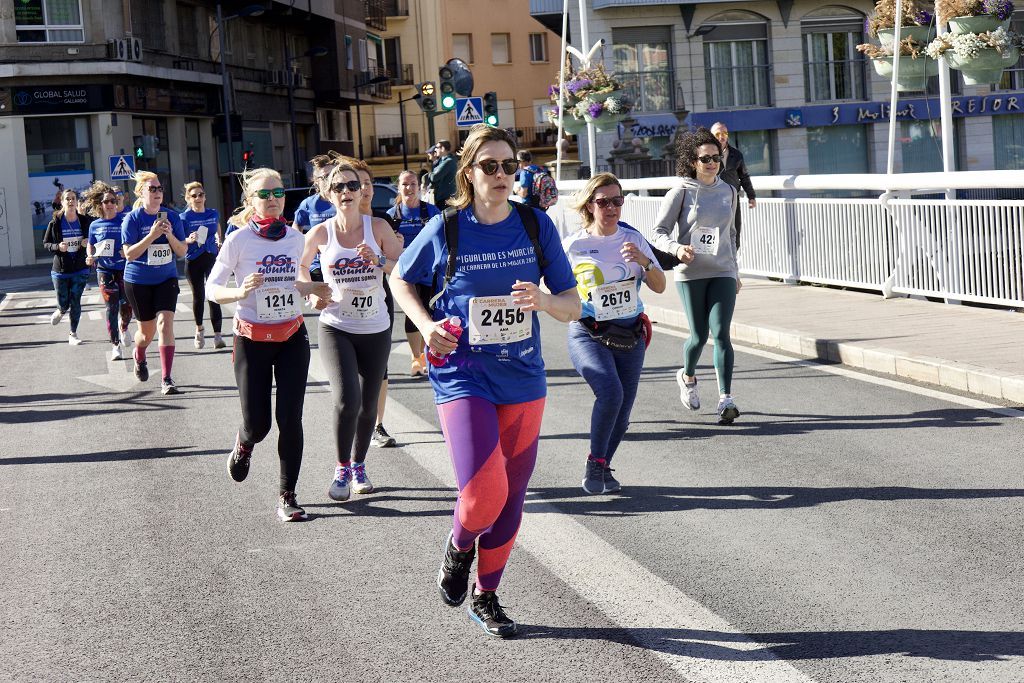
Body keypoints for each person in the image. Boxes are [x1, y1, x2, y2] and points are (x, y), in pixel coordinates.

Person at [390, 124, 580, 638]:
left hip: (522, 377)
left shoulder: (536, 226)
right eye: (490, 167)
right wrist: (427, 327)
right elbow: (401, 279)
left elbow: (572, 303)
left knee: (511, 499)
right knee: (482, 494)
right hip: (462, 375)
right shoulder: (447, 228)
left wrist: (542, 301)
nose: (501, 175)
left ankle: (487, 595)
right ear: (469, 174)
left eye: (509, 166)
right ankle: (458, 547)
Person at [207, 168, 331, 522]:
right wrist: (240, 292)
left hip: (292, 336)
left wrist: (313, 294)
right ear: (250, 201)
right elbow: (212, 289)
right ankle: (244, 442)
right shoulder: (238, 241)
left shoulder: (295, 239)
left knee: (290, 419)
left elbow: (295, 283)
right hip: (251, 338)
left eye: (278, 193)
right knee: (259, 424)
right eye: (264, 194)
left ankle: (287, 495)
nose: (273, 199)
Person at [298, 163, 404, 503]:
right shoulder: (320, 234)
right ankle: (341, 467)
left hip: (375, 325)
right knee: (346, 400)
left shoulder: (379, 228)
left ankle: (359, 465)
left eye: (352, 186)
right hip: (336, 326)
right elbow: (298, 268)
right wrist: (312, 290)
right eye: (339, 187)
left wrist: (377, 260)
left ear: (362, 192)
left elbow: (402, 271)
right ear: (329, 194)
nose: (346, 192)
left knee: (368, 404)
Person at [563, 173, 666, 494]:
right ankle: (595, 463)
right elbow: (551, 288)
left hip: (630, 335)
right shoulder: (573, 245)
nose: (611, 207)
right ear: (589, 206)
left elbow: (660, 286)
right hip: (588, 332)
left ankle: (604, 465)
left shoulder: (633, 240)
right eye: (603, 201)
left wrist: (646, 262)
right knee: (610, 393)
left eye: (617, 201)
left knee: (623, 413)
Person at [652, 127, 742, 425]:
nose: (712, 163)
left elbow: (730, 233)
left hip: (723, 271)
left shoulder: (729, 190)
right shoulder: (681, 191)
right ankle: (688, 375)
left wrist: (736, 271)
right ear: (693, 161)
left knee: (721, 335)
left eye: (716, 157)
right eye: (706, 159)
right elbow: (659, 232)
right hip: (691, 273)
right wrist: (677, 249)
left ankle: (726, 398)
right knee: (699, 336)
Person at [121, 171, 187, 394]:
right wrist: (151, 236)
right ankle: (139, 355)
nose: (158, 192)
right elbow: (129, 254)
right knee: (146, 334)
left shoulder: (172, 217)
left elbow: (181, 251)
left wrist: (168, 235)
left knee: (165, 324)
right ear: (141, 192)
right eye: (153, 189)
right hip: (138, 281)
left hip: (166, 278)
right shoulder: (132, 219)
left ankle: (167, 379)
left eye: (160, 189)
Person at [352, 159, 401, 449]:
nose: (365, 188)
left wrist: (391, 252)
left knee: (379, 367)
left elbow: (399, 263)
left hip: (379, 298)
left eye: (368, 182)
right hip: (344, 307)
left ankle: (377, 425)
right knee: (352, 370)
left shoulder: (384, 222)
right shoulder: (334, 227)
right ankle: (355, 417)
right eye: (358, 183)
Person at [387, 170, 441, 378]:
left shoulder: (431, 211)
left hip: (430, 272)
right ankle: (416, 357)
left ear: (419, 187)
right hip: (405, 274)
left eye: (412, 184)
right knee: (413, 314)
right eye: (404, 185)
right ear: (399, 188)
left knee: (429, 313)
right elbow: (385, 245)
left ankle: (430, 355)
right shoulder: (393, 215)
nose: (409, 188)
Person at [82, 181, 133, 360]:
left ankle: (124, 326)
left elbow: (134, 240)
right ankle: (115, 345)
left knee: (127, 306)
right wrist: (90, 255)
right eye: (107, 202)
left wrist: (126, 250)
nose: (110, 204)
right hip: (104, 270)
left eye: (113, 201)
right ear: (100, 205)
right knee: (111, 308)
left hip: (125, 269)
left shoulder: (125, 220)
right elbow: (91, 244)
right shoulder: (95, 225)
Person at [43, 188, 93, 345]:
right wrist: (58, 246)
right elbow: (46, 244)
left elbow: (95, 237)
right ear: (63, 203)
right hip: (61, 270)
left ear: (77, 201)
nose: (71, 201)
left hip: (80, 268)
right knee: (64, 302)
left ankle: (73, 333)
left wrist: (87, 242)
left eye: (73, 198)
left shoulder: (85, 221)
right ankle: (61, 309)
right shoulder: (55, 223)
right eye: (68, 199)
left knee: (76, 300)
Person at [180, 181, 225, 350]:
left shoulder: (213, 213)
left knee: (214, 295)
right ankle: (199, 329)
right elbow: (178, 240)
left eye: (201, 195)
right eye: (194, 196)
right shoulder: (184, 218)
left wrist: (219, 239)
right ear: (188, 198)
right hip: (193, 260)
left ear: (205, 197)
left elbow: (217, 226)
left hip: (211, 257)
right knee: (199, 296)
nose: (198, 198)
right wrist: (188, 240)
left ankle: (218, 336)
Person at [292, 153, 340, 282]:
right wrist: (302, 245)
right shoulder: (309, 203)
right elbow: (297, 224)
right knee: (321, 301)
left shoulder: (343, 199)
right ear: (316, 181)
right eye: (324, 177)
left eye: (331, 176)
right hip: (317, 265)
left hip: (341, 263)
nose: (327, 180)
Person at [710, 122, 756, 250]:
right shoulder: (706, 156)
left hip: (733, 200)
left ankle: (733, 263)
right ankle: (716, 264)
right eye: (717, 134)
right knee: (715, 234)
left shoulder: (736, 154)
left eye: (724, 133)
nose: (721, 136)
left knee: (735, 232)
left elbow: (744, 176)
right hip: (712, 199)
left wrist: (751, 196)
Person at [429, 139, 456, 208]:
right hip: (442, 197)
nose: (435, 150)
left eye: (437, 148)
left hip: (446, 199)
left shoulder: (448, 162)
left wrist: (429, 174)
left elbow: (434, 177)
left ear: (443, 148)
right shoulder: (442, 161)